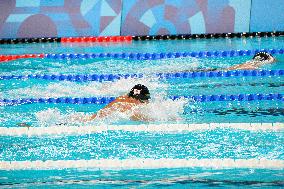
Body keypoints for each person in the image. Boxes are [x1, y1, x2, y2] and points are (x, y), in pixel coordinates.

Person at [86, 84, 151, 121]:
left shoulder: (130, 100)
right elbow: (134, 117)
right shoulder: (122, 103)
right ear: (134, 98)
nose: (144, 103)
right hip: (93, 120)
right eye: (142, 101)